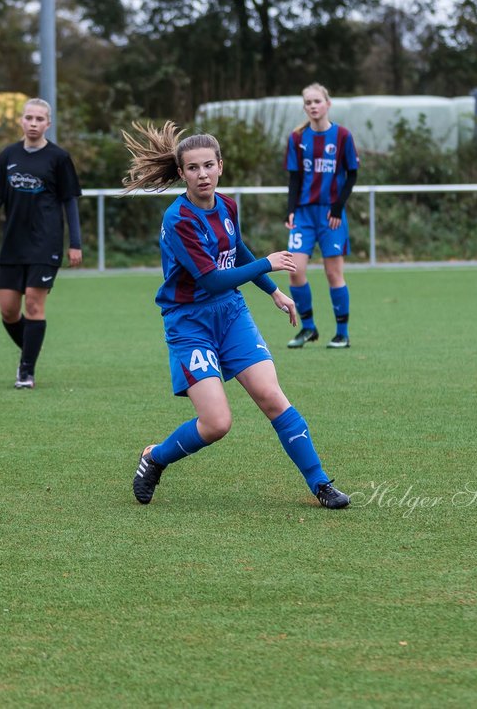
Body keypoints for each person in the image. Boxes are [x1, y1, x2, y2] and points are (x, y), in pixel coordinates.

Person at [121, 121, 350, 510]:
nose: (202, 174)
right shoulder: (179, 220)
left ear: (220, 166)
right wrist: (271, 263)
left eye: (208, 165)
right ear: (181, 173)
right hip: (189, 322)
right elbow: (210, 280)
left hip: (230, 314)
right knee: (216, 424)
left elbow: (237, 251)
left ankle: (320, 483)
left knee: (272, 398)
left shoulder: (227, 205)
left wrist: (274, 291)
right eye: (193, 168)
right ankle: (155, 458)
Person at [0, 98, 83, 389]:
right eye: (28, 118)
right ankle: (32, 349)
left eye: (39, 119)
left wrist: (75, 243)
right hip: (13, 242)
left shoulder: (58, 158)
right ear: (21, 120)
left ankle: (26, 371)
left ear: (48, 123)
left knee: (33, 303)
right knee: (7, 310)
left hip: (46, 242)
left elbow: (69, 202)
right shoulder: (9, 155)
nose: (33, 123)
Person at [283, 83, 360, 349]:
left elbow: (352, 173)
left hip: (330, 215)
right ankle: (308, 328)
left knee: (333, 273)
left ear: (328, 103)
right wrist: (291, 210)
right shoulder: (297, 138)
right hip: (304, 215)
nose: (313, 106)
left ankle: (342, 333)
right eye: (308, 102)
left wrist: (338, 207)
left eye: (317, 101)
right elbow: (294, 177)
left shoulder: (342, 136)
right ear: (304, 107)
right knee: (295, 271)